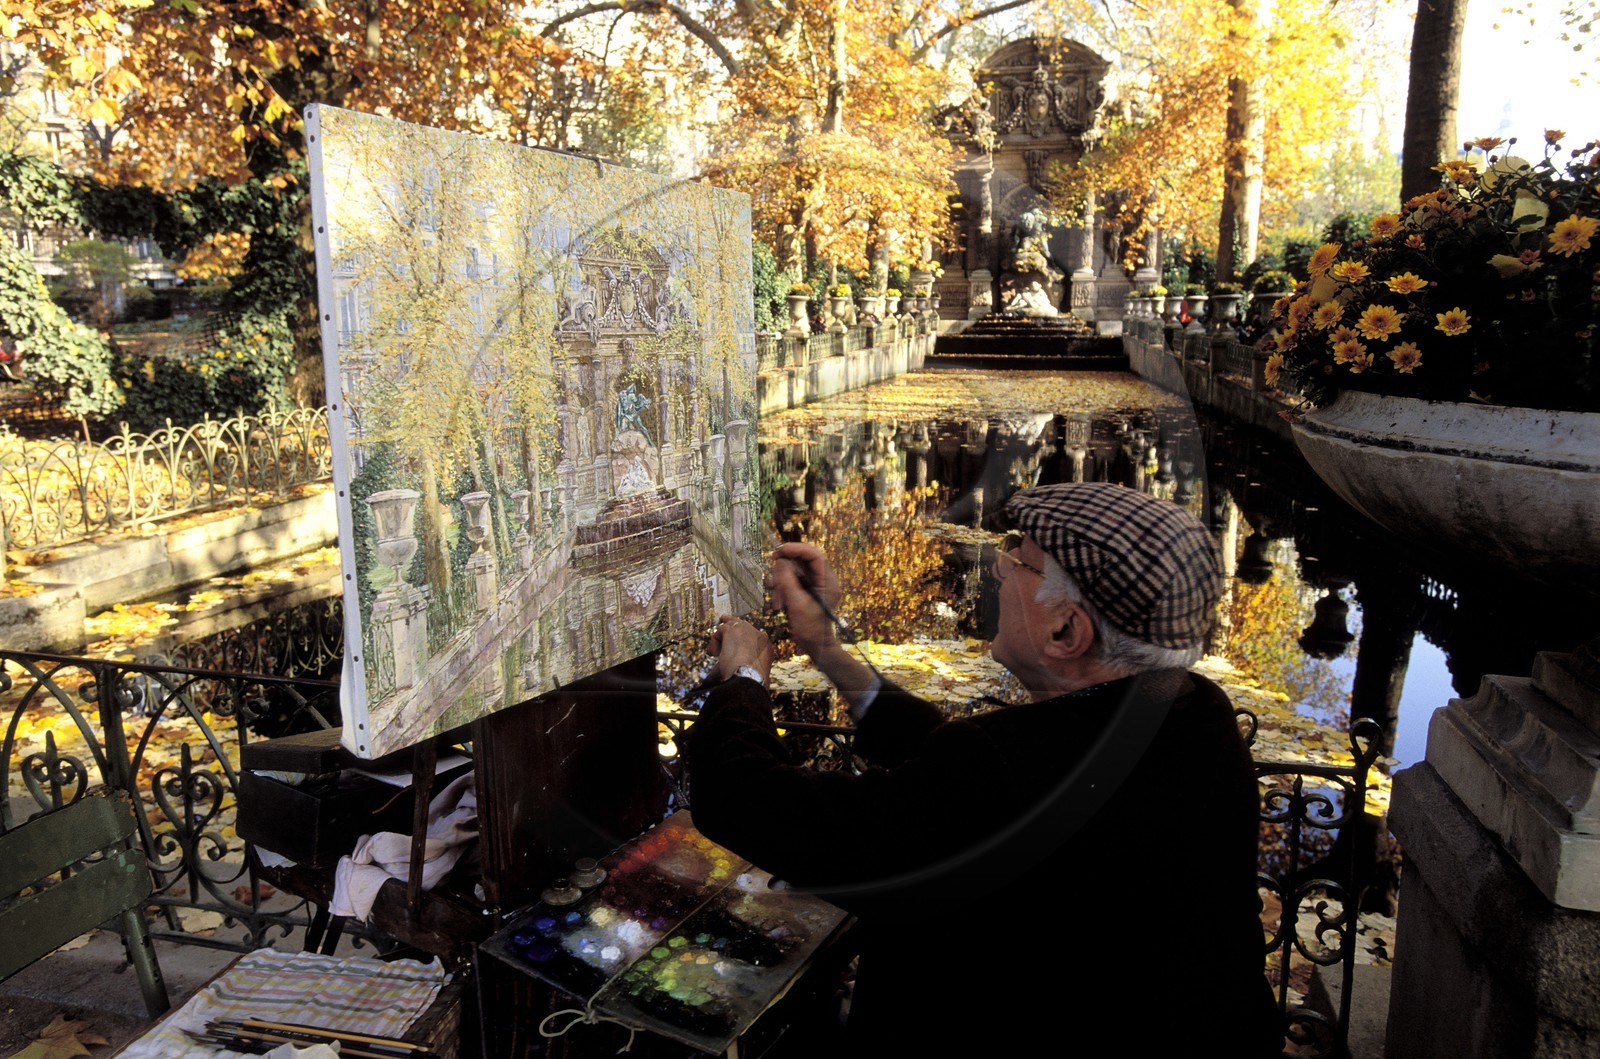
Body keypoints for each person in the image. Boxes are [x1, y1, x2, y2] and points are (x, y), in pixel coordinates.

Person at [684, 482, 1283, 1056]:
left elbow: (743, 797)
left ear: (1066, 628)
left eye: (1019, 562)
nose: (998, 570)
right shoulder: (1193, 711)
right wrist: (828, 650)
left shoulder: (1001, 770)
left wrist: (745, 680)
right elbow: (957, 766)